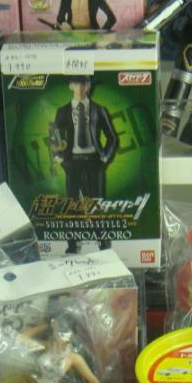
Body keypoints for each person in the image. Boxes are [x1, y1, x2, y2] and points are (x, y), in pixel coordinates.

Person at [51, 76, 119, 253]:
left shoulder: (98, 109)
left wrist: (105, 156)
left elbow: (112, 137)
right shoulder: (63, 111)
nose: (80, 87)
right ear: (70, 86)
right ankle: (72, 245)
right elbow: (55, 136)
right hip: (72, 162)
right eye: (76, 83)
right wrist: (59, 157)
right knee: (72, 206)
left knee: (95, 205)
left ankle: (104, 245)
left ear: (88, 86)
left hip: (94, 162)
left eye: (83, 83)